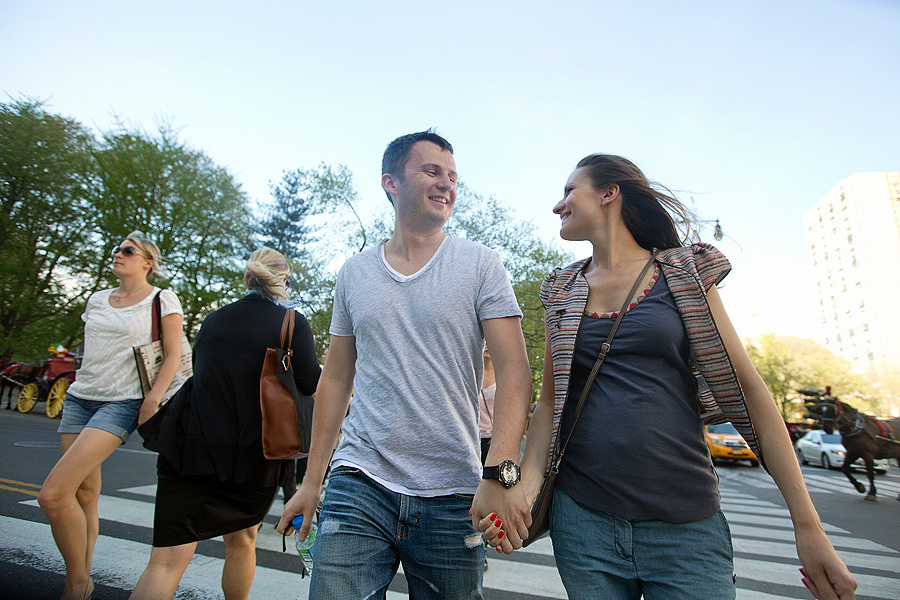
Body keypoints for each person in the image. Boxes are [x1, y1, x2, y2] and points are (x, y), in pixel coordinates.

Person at [480, 154, 858, 600]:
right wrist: (522, 487)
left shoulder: (685, 272)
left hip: (686, 529)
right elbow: (548, 404)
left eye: (568, 191)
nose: (557, 205)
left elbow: (751, 390)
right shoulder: (560, 289)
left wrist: (807, 526)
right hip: (583, 524)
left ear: (608, 193)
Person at [277, 130, 533, 599]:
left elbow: (516, 370)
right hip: (360, 479)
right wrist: (312, 483)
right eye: (432, 171)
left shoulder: (481, 264)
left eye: (453, 177)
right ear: (391, 182)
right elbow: (335, 378)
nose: (447, 184)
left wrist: (499, 473)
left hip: (454, 489)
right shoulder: (354, 272)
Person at [130, 248, 320, 600]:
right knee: (243, 539)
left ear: (247, 279)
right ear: (282, 280)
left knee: (166, 562)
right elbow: (310, 384)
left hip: (190, 447)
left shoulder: (214, 319)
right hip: (254, 455)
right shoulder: (291, 322)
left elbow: (204, 371)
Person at [39, 231, 184, 600]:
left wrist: (151, 400)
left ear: (148, 262)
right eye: (117, 249)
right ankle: (83, 577)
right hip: (79, 398)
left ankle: (75, 585)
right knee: (85, 493)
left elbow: (172, 356)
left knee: (53, 495)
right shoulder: (97, 299)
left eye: (128, 250)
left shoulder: (161, 299)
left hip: (120, 403)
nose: (118, 254)